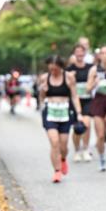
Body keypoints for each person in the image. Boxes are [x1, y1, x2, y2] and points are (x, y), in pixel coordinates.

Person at [38, 55, 85, 183]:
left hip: (64, 113)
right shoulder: (44, 78)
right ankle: (57, 171)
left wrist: (79, 113)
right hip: (50, 113)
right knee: (54, 143)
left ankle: (63, 159)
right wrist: (43, 91)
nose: (53, 71)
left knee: (63, 146)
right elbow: (41, 98)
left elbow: (75, 96)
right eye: (51, 69)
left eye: (56, 69)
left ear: (60, 67)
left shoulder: (69, 77)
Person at [67, 43, 94, 161]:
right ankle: (77, 150)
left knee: (86, 124)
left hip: (87, 100)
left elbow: (96, 80)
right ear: (74, 54)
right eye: (77, 51)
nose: (79, 54)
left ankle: (86, 149)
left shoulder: (90, 67)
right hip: (73, 101)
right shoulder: (69, 69)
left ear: (84, 54)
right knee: (77, 128)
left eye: (81, 51)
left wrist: (93, 83)